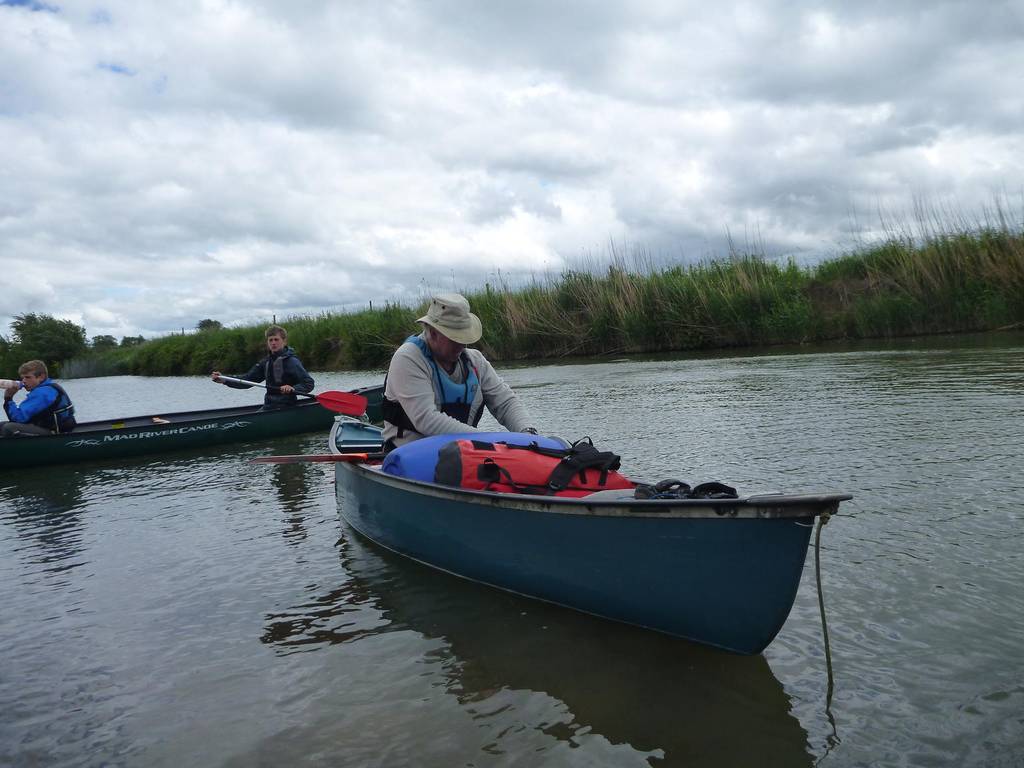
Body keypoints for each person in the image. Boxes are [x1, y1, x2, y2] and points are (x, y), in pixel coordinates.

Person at [381, 292, 537, 451]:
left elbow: (505, 402)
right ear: (433, 332)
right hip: (409, 456)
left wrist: (527, 434)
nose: (462, 344)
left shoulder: (475, 361)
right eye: (454, 338)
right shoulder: (408, 359)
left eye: (464, 337)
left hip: (462, 457)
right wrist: (489, 441)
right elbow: (427, 420)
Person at [212, 325, 314, 408]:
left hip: (287, 406)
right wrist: (224, 380)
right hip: (269, 405)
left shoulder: (292, 362)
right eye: (270, 340)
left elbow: (308, 384)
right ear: (267, 342)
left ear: (284, 341)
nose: (273, 343)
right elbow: (247, 380)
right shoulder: (265, 362)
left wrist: (292, 388)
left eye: (276, 339)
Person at [2, 360, 77, 437]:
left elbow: (19, 419)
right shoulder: (49, 387)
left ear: (41, 377)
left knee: (9, 428)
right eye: (22, 378)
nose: (23, 381)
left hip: (54, 433)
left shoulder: (42, 393)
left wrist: (8, 398)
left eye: (28, 377)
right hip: (51, 428)